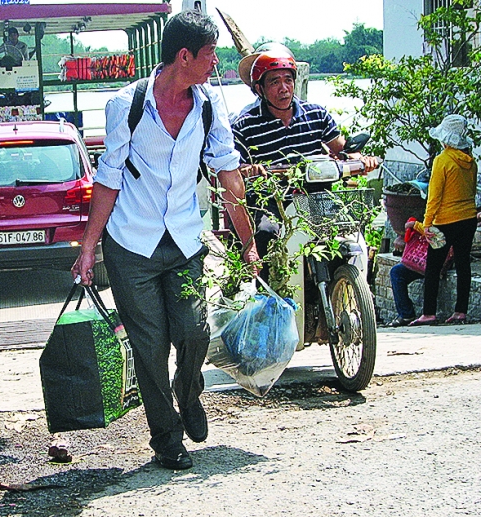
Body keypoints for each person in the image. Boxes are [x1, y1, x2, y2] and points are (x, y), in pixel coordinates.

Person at [71, 10, 257, 471]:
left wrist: (248, 240)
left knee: (194, 330)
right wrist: (89, 248)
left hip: (184, 238)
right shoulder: (126, 105)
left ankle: (189, 393)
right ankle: (165, 438)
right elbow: (109, 179)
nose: (216, 62)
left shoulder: (209, 103)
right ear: (184, 56)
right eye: (210, 53)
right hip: (131, 244)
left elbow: (227, 172)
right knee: (149, 344)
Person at [231, 46, 379, 282]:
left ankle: (351, 285)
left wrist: (362, 160)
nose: (283, 88)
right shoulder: (244, 124)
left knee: (349, 231)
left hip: (315, 197)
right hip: (272, 201)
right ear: (259, 88)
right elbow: (233, 169)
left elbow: (342, 150)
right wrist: (251, 170)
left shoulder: (316, 114)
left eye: (288, 80)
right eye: (274, 82)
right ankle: (269, 294)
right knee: (267, 233)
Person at [409, 114, 478, 326]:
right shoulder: (471, 162)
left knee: (433, 267)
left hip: (445, 221)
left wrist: (427, 223)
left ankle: (428, 312)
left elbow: (434, 196)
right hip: (468, 218)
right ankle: (460, 312)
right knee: (463, 264)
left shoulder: (442, 160)